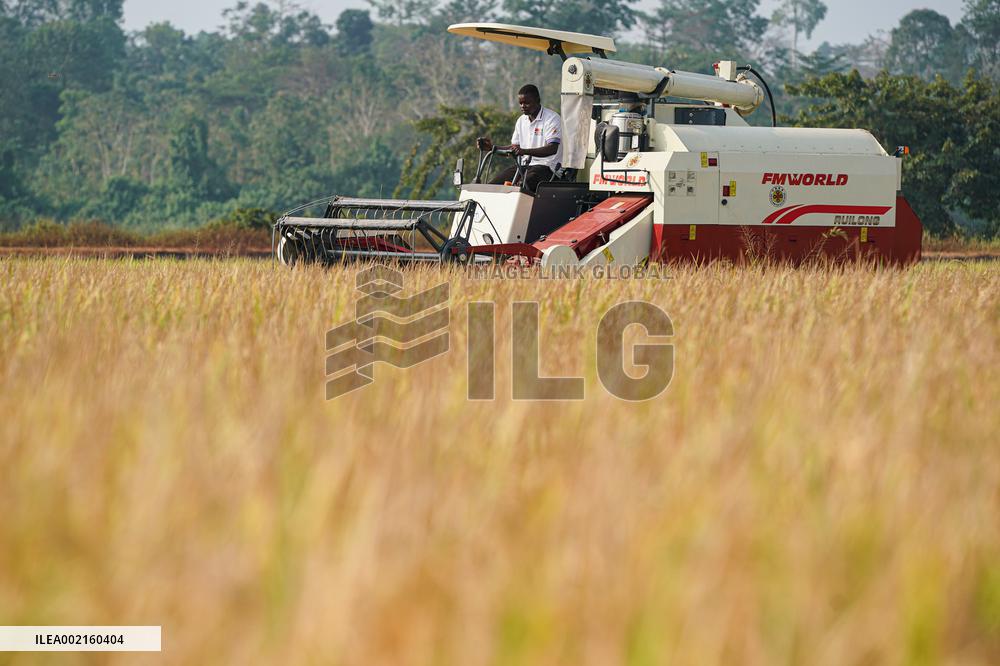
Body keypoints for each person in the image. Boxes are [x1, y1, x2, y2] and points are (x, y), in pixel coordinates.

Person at [477, 84, 562, 194]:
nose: (523, 106)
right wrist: (492, 148)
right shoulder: (521, 121)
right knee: (492, 186)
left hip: (548, 168)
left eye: (527, 103)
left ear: (537, 100)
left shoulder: (552, 119)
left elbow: (552, 148)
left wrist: (524, 151)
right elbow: (514, 148)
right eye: (521, 103)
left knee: (521, 187)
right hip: (524, 167)